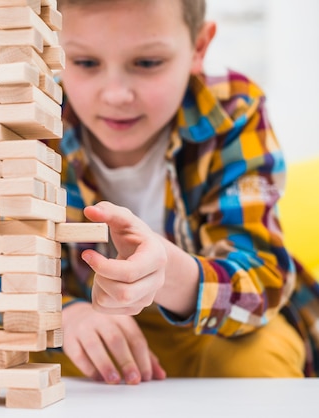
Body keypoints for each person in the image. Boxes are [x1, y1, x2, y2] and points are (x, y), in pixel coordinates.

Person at [32, 0, 319, 383]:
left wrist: (170, 273)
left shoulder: (234, 111)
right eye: (86, 63)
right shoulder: (37, 118)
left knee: (256, 364)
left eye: (147, 63)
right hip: (90, 327)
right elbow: (1, 266)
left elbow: (262, 278)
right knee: (4, 352)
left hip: (217, 330)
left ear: (199, 48)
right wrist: (66, 314)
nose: (116, 94)